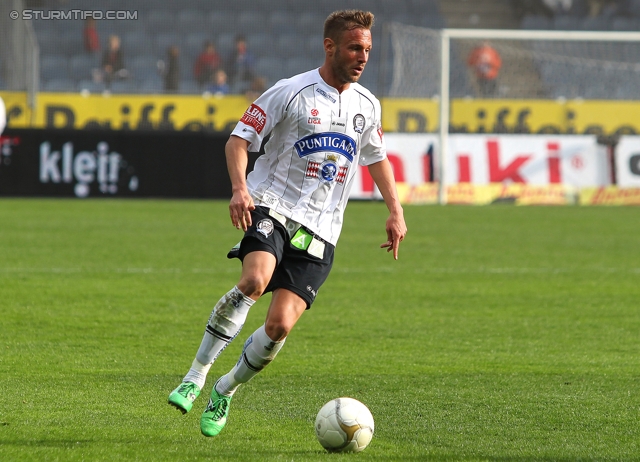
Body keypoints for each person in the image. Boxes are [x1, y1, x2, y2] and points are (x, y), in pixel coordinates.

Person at [167, 9, 407, 438]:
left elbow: (376, 157)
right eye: (355, 47)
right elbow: (238, 140)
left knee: (278, 326)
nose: (363, 56)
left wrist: (395, 210)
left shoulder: (367, 105)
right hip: (272, 207)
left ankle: (225, 389)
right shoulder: (290, 92)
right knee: (254, 282)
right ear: (330, 46)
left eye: (368, 49)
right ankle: (195, 375)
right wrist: (241, 189)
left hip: (322, 230)